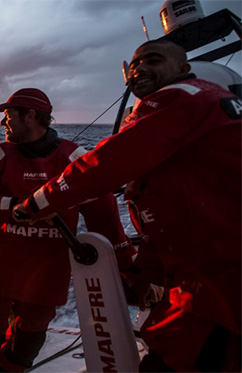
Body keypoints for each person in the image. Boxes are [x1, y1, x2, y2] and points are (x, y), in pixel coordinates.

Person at [13, 41, 242, 372]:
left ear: (183, 70)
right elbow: (172, 213)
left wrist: (37, 201)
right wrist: (142, 272)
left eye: (153, 60)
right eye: (133, 65)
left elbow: (106, 164)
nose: (140, 69)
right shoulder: (198, 117)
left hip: (216, 291)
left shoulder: (181, 98)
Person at [0, 88, 136, 372]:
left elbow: (104, 215)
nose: (3, 123)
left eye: (8, 115)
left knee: (26, 346)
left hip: (47, 273)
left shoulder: (73, 158)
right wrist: (20, 207)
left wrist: (126, 265)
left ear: (31, 116)